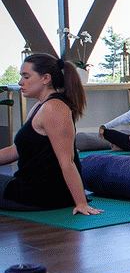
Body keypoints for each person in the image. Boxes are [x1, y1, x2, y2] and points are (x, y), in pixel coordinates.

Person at [0, 54, 101, 215]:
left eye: (26, 76)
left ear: (46, 78)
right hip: (32, 189)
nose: (20, 82)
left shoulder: (54, 108)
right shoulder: (40, 107)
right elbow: (16, 150)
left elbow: (67, 161)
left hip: (40, 195)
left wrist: (81, 203)